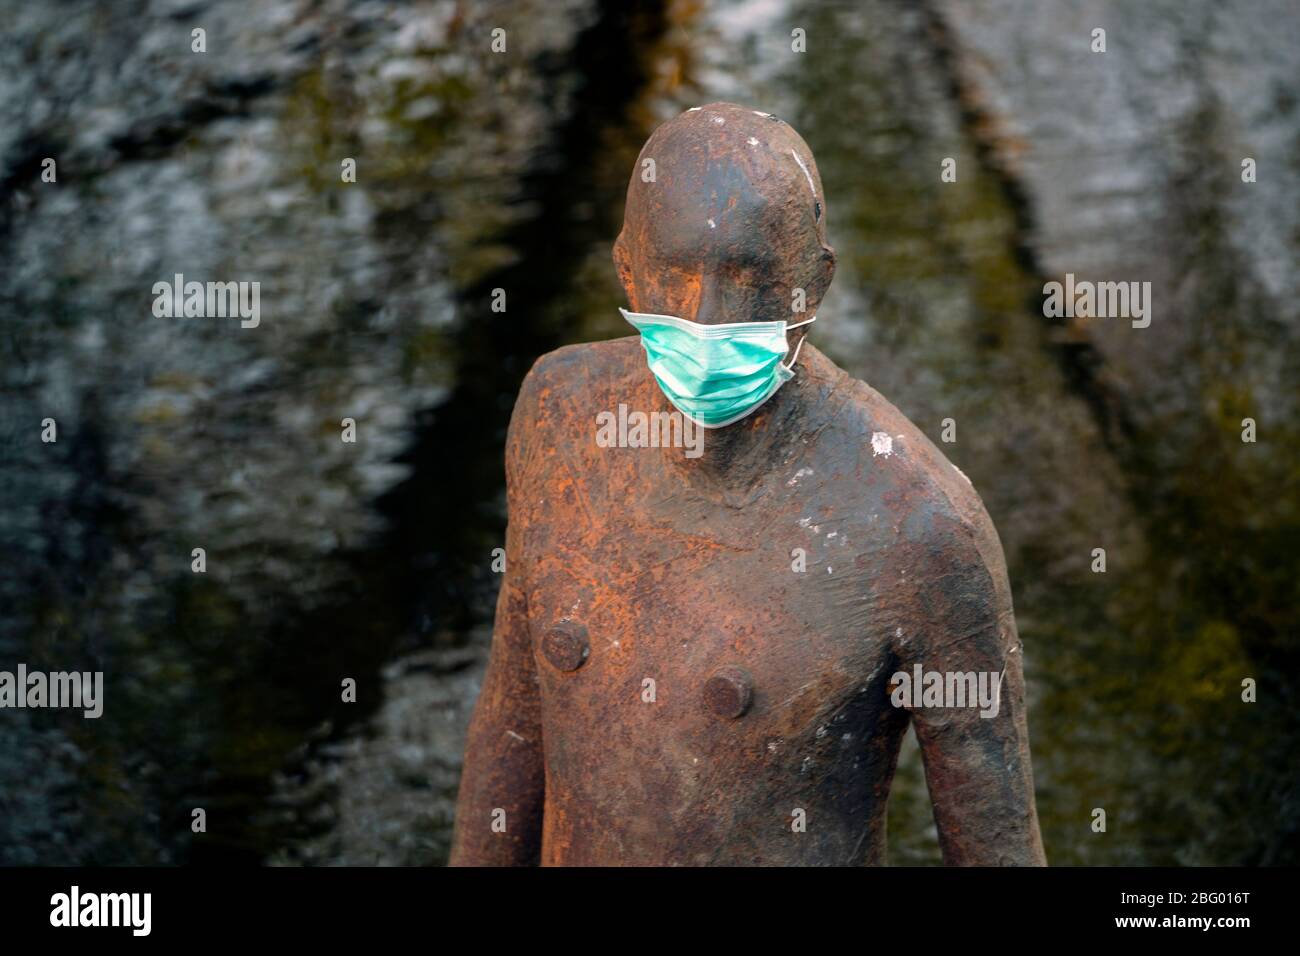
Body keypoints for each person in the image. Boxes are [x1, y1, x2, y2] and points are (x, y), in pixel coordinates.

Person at [450, 102, 1045, 866]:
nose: (707, 319)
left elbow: (996, 848)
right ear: (626, 266)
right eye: (675, 273)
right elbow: (512, 724)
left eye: (750, 278)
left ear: (815, 284)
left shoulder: (919, 526)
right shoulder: (559, 416)